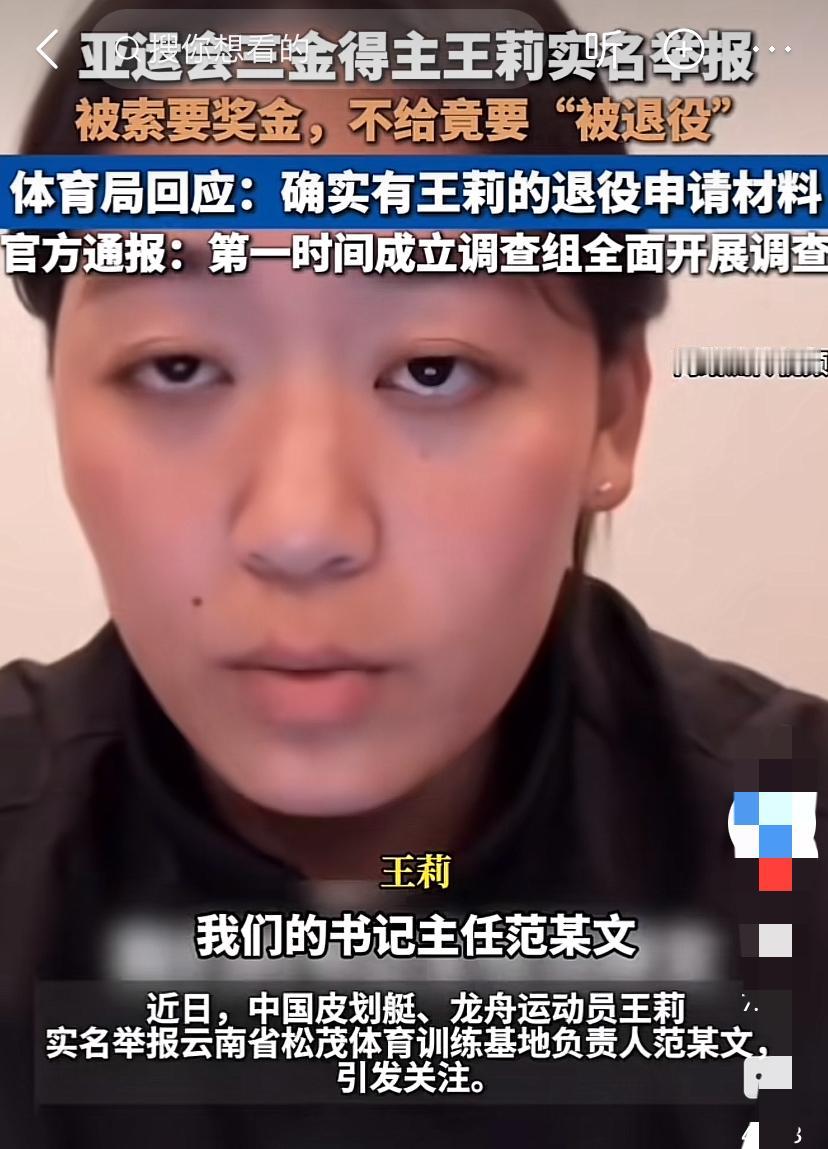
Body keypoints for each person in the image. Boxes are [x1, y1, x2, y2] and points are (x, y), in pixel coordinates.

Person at [1, 0, 826, 1146]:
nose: (301, 529)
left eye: (434, 369)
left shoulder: (792, 848)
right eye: (178, 364)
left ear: (611, 415)